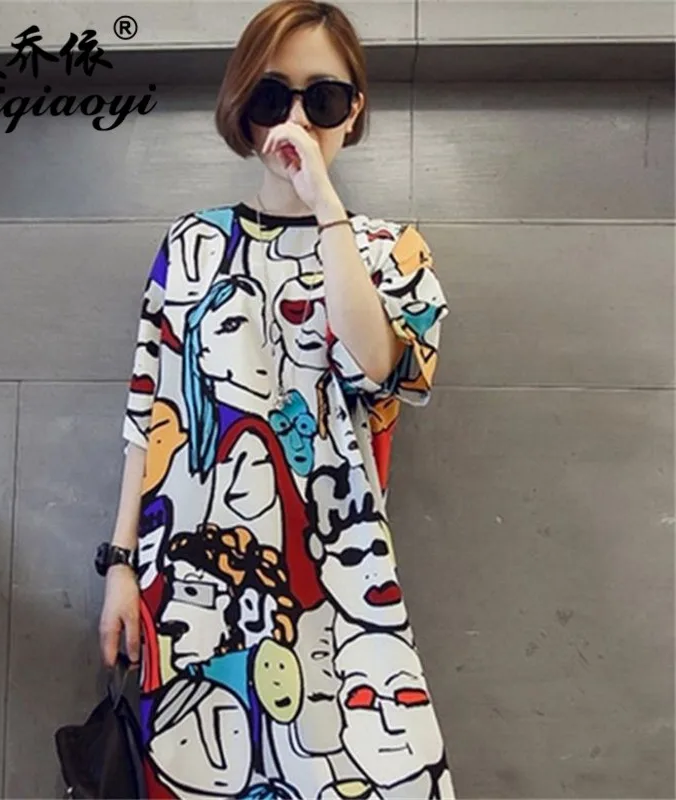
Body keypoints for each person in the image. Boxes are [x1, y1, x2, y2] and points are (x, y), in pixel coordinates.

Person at [98, 1, 455, 797]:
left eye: (321, 98)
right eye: (272, 97)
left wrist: (325, 205)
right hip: (188, 579)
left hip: (335, 582)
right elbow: (147, 417)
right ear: (243, 109)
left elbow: (381, 368)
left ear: (354, 110)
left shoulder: (389, 251)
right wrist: (119, 565)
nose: (294, 120)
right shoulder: (191, 245)